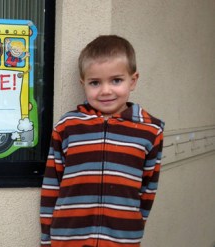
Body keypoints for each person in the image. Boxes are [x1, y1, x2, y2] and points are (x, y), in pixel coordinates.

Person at [40, 35, 164, 247]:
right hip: (68, 239)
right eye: (95, 82)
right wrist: (46, 238)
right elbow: (52, 185)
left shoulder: (150, 130)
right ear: (83, 84)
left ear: (132, 81)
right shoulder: (67, 126)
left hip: (122, 240)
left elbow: (148, 189)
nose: (105, 90)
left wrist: (134, 228)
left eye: (116, 80)